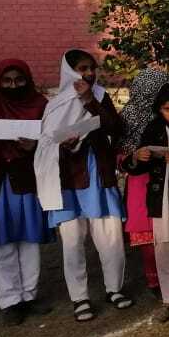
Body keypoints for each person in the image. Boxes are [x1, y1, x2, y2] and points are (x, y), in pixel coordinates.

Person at [35, 50, 131, 322]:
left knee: (110, 237)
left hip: (99, 175)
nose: (88, 73)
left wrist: (89, 101)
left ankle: (114, 289)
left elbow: (115, 128)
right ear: (69, 71)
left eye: (91, 68)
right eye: (82, 68)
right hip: (67, 179)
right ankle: (80, 297)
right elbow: (45, 143)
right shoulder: (55, 105)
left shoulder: (99, 95)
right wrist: (64, 145)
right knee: (73, 242)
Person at [0, 59, 51, 324]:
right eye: (7, 81)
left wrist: (35, 145)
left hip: (27, 180)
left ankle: (29, 296)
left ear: (27, 80)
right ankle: (10, 302)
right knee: (1, 242)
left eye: (19, 80)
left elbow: (52, 140)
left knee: (29, 239)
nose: (13, 85)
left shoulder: (40, 105)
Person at [120, 83, 169, 322]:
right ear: (159, 109)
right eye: (167, 109)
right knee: (165, 251)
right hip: (160, 199)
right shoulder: (154, 128)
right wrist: (137, 157)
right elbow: (135, 168)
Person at [118, 68, 169, 296]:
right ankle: (155, 281)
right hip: (140, 183)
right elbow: (119, 156)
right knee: (147, 236)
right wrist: (133, 157)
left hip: (166, 176)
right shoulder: (127, 118)